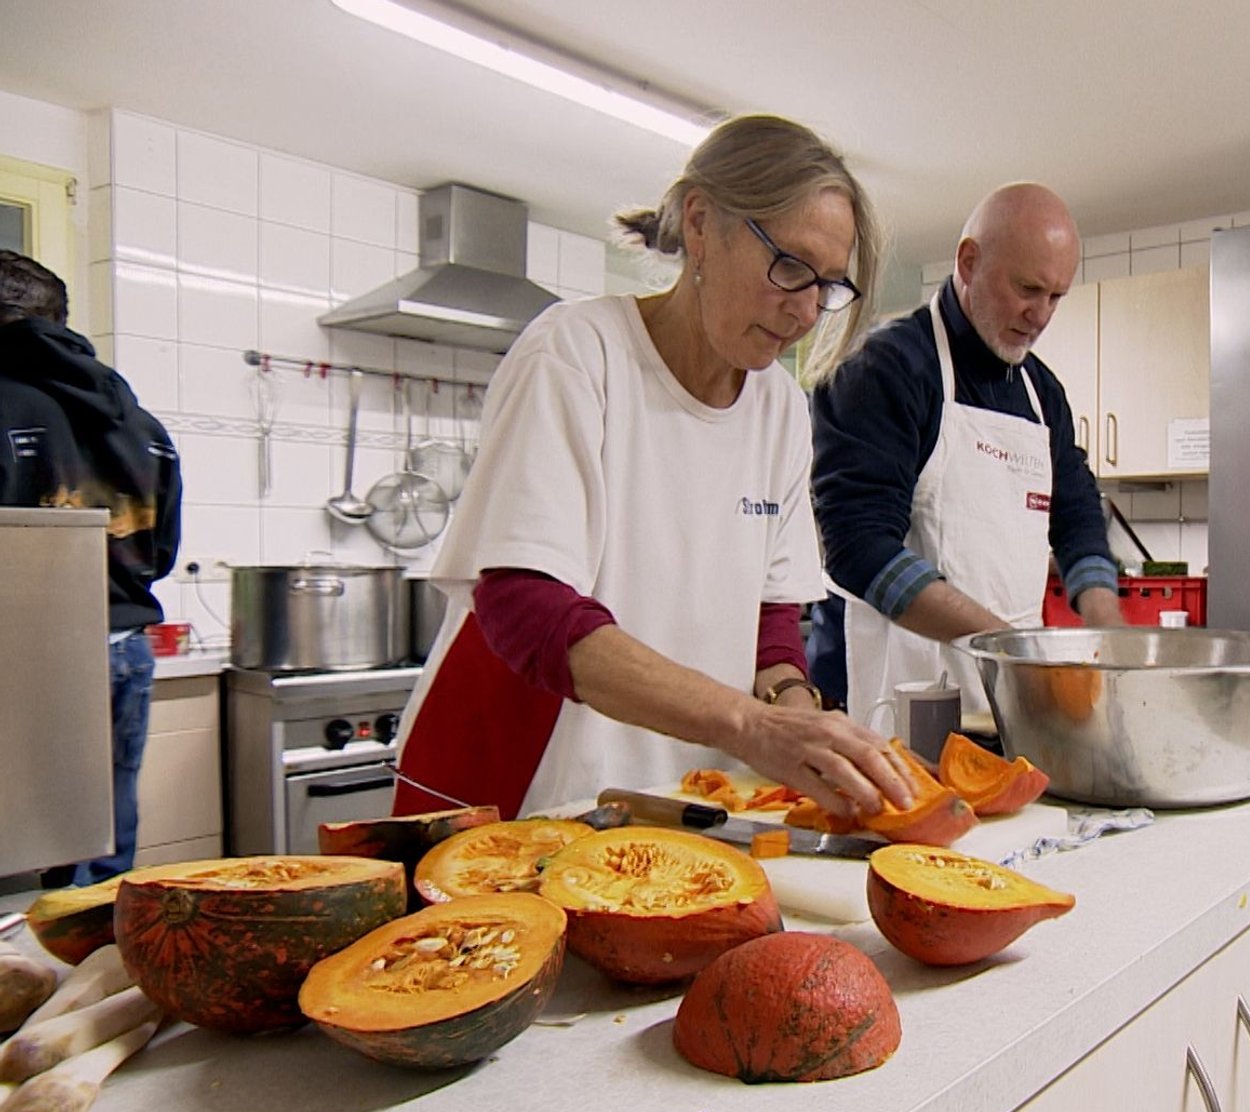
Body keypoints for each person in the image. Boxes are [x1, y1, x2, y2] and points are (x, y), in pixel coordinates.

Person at [394, 115, 914, 822]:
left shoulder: (782, 410)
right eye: (789, 266)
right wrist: (754, 727)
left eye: (826, 286)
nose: (803, 312)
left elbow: (770, 623)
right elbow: (523, 606)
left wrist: (799, 716)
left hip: (675, 797)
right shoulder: (578, 353)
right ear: (700, 224)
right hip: (518, 794)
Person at [811, 183, 1125, 731]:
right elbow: (859, 547)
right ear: (969, 261)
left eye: (1056, 297)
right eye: (1027, 288)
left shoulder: (1041, 392)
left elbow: (1076, 513)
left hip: (1008, 695)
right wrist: (1009, 649)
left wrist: (1112, 635)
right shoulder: (886, 369)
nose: (1040, 315)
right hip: (894, 691)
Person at [0, 250, 182, 886]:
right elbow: (159, 554)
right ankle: (97, 970)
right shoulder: (143, 423)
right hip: (123, 648)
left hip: (22, 657)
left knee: (18, 861)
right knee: (100, 844)